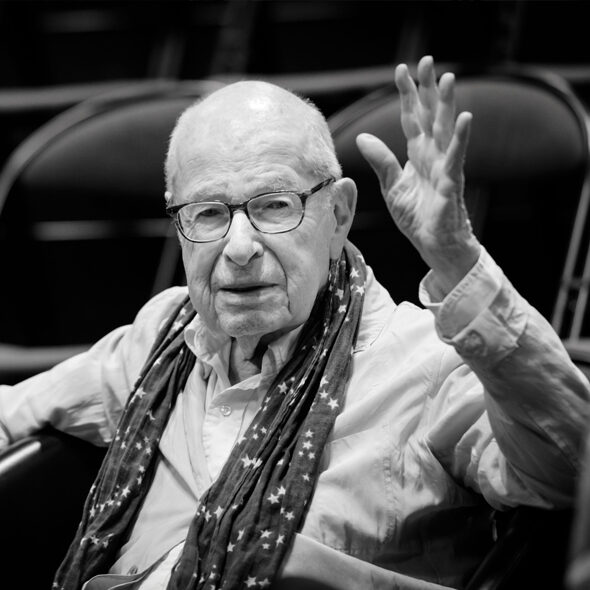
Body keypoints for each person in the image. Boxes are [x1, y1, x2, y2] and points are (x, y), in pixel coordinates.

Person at [0, 56, 589, 590]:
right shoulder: (161, 338)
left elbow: (569, 470)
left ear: (338, 216)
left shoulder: (423, 362)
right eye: (208, 213)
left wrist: (460, 261)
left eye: (273, 206)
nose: (238, 247)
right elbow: (13, 413)